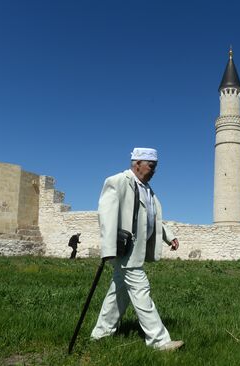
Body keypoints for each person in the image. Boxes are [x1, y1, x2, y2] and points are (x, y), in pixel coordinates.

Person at [90, 147, 184, 351]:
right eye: (151, 166)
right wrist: (108, 249)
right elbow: (106, 216)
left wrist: (170, 236)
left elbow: (153, 219)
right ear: (137, 164)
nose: (154, 170)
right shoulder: (117, 182)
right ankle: (160, 341)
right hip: (125, 250)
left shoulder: (148, 189)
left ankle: (100, 334)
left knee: (118, 294)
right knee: (141, 291)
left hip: (136, 250)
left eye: (156, 167)